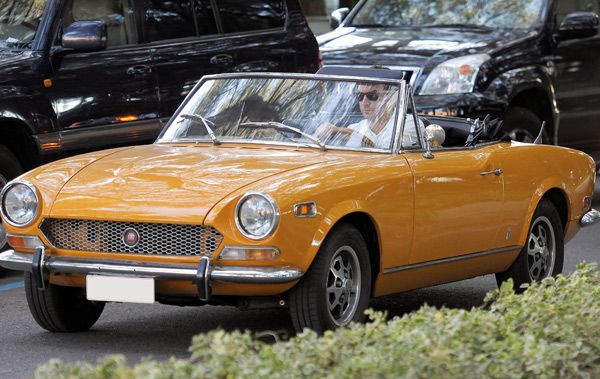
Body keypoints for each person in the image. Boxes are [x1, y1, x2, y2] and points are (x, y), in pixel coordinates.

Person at [316, 82, 397, 149]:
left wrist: (349, 132)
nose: (365, 103)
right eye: (360, 96)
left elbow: (390, 159)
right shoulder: (355, 128)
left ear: (388, 97)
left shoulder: (405, 124)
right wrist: (323, 132)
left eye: (372, 96)